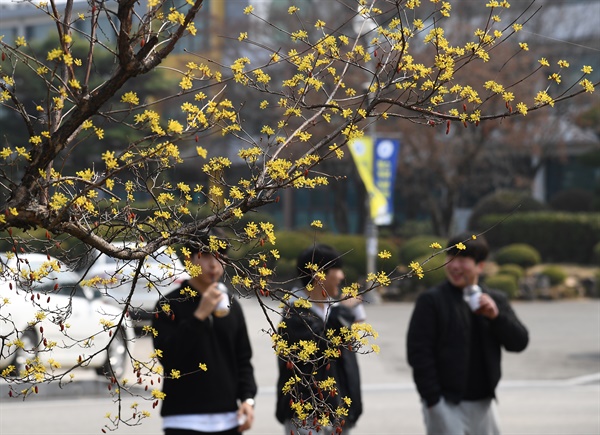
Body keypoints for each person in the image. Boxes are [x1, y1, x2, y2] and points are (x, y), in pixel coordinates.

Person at [406, 233, 529, 435]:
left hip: (485, 403)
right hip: (446, 403)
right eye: (450, 258)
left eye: (462, 260)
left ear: (480, 266)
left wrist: (496, 317)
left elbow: (520, 342)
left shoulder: (493, 299)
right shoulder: (431, 301)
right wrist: (433, 401)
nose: (454, 266)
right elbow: (419, 354)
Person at [152, 236, 257, 435]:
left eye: (221, 256)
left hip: (228, 419)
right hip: (183, 420)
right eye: (206, 255)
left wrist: (247, 400)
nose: (214, 264)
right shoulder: (169, 304)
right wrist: (199, 315)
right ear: (188, 259)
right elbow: (168, 356)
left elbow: (243, 359)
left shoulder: (231, 305)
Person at [275, 244, 363, 435]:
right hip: (307, 416)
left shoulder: (331, 310)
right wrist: (343, 311)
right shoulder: (295, 315)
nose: (341, 276)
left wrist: (353, 407)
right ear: (319, 274)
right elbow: (321, 347)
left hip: (339, 413)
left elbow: (346, 364)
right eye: (337, 269)